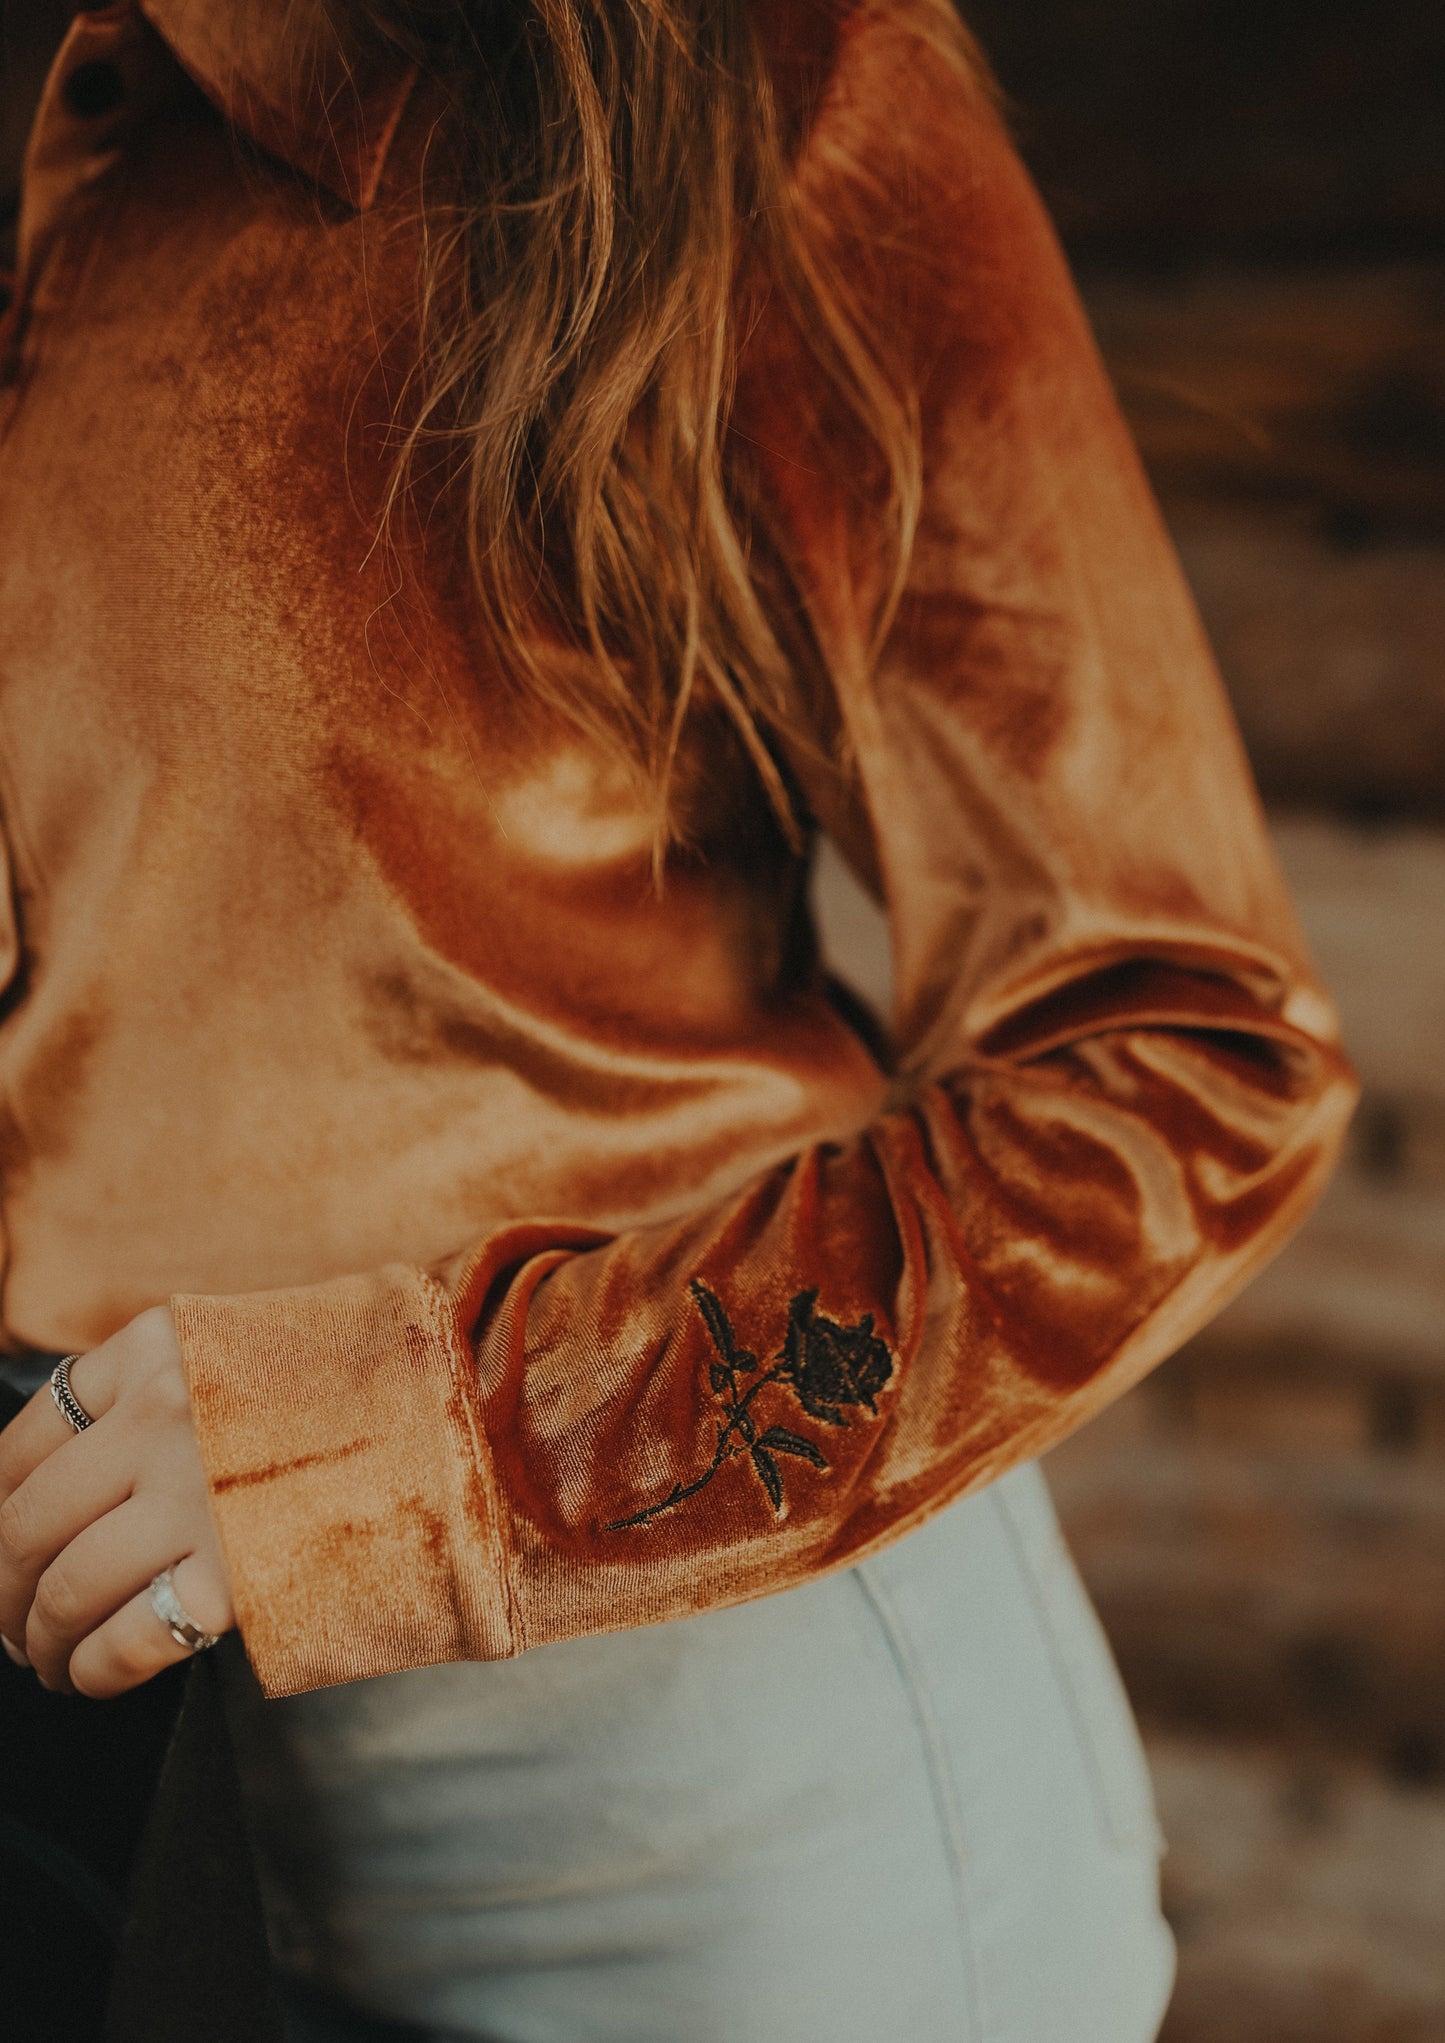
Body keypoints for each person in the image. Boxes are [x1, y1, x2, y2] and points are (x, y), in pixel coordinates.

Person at [0, 2, 1356, 2039]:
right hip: (147, 1805)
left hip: (698, 1824)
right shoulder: (86, 119)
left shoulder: (777, 84)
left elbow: (1189, 1061)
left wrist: (416, 1442)